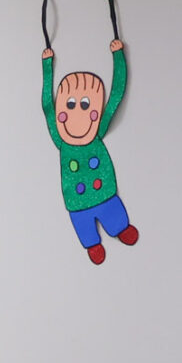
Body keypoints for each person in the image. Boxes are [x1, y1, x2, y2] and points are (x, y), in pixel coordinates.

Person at [41, 40, 139, 265]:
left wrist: (118, 57)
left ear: (96, 112)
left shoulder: (97, 130)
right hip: (77, 202)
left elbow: (116, 94)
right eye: (70, 105)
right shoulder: (59, 137)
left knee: (114, 214)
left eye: (85, 105)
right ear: (59, 113)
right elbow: (46, 103)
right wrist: (46, 65)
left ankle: (120, 228)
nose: (77, 112)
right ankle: (92, 244)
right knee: (84, 227)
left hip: (105, 193)